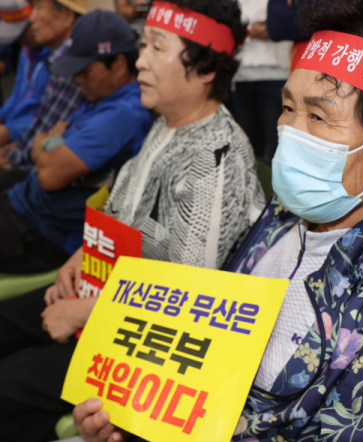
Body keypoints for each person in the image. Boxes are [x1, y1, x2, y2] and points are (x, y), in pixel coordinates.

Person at [73, 0, 363, 441]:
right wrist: (133, 420)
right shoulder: (282, 220)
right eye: (287, 108)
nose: (291, 134)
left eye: (319, 117)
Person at [0, 0, 264, 440]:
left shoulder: (215, 159)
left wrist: (79, 312)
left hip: (145, 344)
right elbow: (121, 215)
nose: (139, 60)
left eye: (156, 48)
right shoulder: (165, 125)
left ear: (204, 70)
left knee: (8, 388)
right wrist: (83, 256)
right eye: (144, 45)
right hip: (107, 296)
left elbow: (187, 298)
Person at [0, 9, 152, 274]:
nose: (77, 78)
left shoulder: (123, 113)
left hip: (39, 235)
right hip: (22, 209)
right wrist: (46, 144)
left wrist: (46, 144)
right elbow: (46, 142)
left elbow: (49, 174)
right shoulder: (101, 98)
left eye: (85, 70)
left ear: (118, 65)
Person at [0, 0, 87, 190]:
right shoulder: (52, 58)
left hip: (37, 174)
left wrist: (8, 157)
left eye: (39, 8)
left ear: (65, 15)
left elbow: (45, 133)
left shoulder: (69, 68)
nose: (31, 18)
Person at [229, 0, 291, 160]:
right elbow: (223, 23)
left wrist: (274, 27)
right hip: (242, 73)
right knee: (246, 144)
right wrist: (248, 31)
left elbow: (296, 19)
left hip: (277, 74)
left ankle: (274, 184)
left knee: (278, 143)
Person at [0, 0, 50, 147]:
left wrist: (10, 132)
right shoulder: (25, 50)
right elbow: (17, 94)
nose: (19, 40)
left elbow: (53, 118)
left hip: (31, 137)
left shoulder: (56, 61)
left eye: (22, 32)